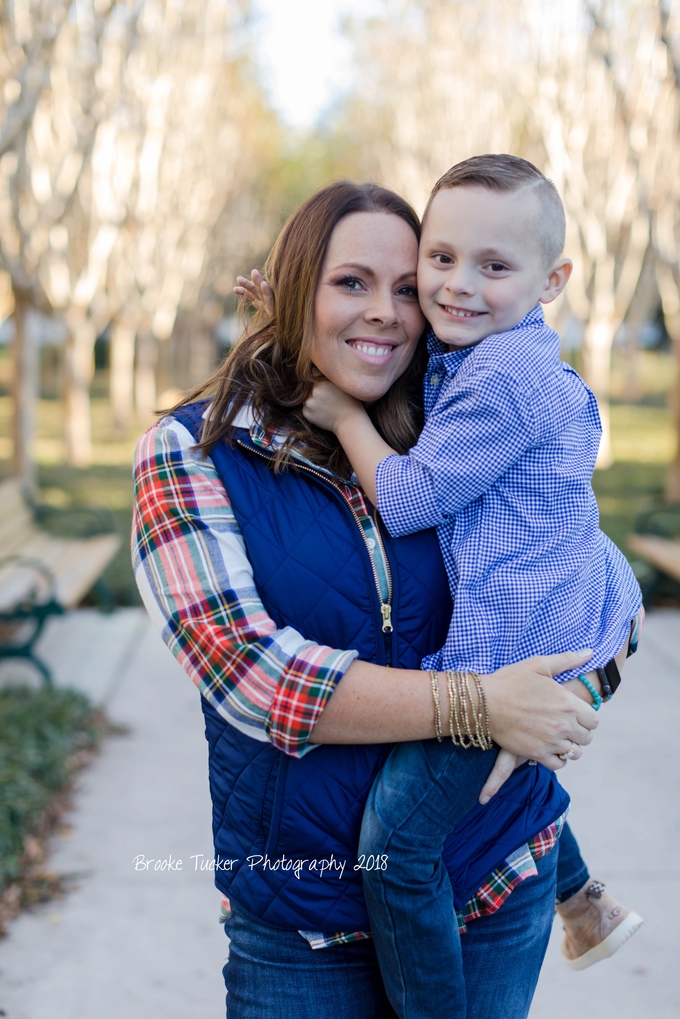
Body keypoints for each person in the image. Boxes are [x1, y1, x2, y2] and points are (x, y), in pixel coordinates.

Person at [132, 179, 600, 1019]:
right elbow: (255, 677)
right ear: (295, 287)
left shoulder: (453, 423)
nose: (386, 311)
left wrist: (572, 694)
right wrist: (482, 704)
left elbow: (582, 573)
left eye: (405, 288)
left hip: (493, 887)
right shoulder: (193, 453)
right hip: (305, 924)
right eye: (350, 283)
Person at [301, 156, 644, 1018]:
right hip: (551, 619)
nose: (456, 287)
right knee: (496, 783)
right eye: (441, 260)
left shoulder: (503, 382)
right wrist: (285, 302)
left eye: (495, 267)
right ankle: (586, 902)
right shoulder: (490, 351)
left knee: (398, 843)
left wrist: (343, 419)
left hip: (507, 658)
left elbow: (412, 497)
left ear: (552, 279)